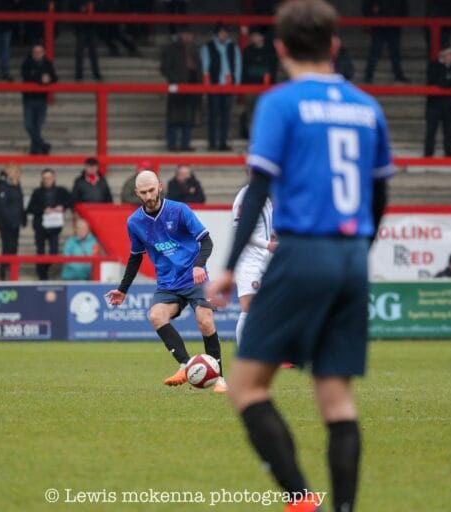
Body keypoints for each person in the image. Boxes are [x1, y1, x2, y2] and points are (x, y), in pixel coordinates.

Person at [206, 1, 393, 511]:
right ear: (334, 46)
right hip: (351, 256)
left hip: (302, 250)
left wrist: (228, 266)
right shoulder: (366, 106)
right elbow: (378, 199)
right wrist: (357, 252)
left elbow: (259, 192)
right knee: (337, 399)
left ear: (280, 47)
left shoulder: (280, 104)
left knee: (245, 387)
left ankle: (301, 498)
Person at [105, 170, 226, 392]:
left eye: (152, 190)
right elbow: (135, 257)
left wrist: (199, 265)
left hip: (193, 276)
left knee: (205, 320)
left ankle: (219, 377)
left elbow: (206, 241)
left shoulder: (179, 210)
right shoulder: (134, 222)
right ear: (136, 193)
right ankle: (186, 364)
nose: (149, 196)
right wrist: (123, 290)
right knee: (155, 315)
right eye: (143, 192)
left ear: (159, 186)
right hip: (168, 283)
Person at [231, 179, 274, 347]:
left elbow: (262, 227)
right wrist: (267, 244)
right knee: (248, 309)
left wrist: (271, 236)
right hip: (248, 261)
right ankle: (243, 354)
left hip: (264, 260)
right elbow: (239, 230)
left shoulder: (268, 197)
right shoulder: (246, 195)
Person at [160, 25, 202, 152]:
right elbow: (165, 68)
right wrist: (175, 79)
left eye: (190, 34)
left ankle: (185, 143)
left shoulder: (194, 50)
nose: (188, 37)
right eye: (185, 34)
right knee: (174, 117)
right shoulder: (171, 49)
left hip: (192, 84)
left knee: (188, 116)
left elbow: (199, 67)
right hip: (177, 85)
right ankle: (171, 143)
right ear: (180, 35)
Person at [201, 24, 242, 151]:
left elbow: (237, 65)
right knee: (213, 114)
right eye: (221, 33)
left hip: (228, 85)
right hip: (214, 85)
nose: (223, 35)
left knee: (226, 115)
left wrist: (236, 83)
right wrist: (206, 85)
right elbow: (205, 66)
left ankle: (223, 142)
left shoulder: (233, 47)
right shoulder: (208, 47)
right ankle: (212, 142)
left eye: (225, 33)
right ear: (216, 34)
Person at [26, 168, 72, 281]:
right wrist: (43, 210)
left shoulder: (61, 191)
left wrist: (62, 206)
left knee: (54, 251)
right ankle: (41, 274)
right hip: (40, 227)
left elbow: (71, 200)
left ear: (54, 178)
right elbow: (30, 208)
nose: (47, 180)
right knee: (40, 251)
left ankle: (45, 269)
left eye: (49, 178)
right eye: (45, 178)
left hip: (54, 227)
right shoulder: (37, 192)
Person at [424, 47, 451, 157]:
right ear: (443, 56)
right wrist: (449, 80)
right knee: (431, 130)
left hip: (449, 104)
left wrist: (449, 80)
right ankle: (428, 153)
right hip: (434, 104)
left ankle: (448, 153)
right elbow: (436, 82)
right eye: (450, 55)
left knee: (448, 130)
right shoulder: (433, 66)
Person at [0, 163, 26, 281]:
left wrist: (22, 218)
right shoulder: (3, 186)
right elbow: (1, 206)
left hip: (15, 222)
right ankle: (2, 272)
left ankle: (11, 269)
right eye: (17, 171)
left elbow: (19, 204)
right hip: (5, 223)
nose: (19, 174)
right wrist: (11, 218)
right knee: (6, 247)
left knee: (14, 247)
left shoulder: (17, 185)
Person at [21, 43, 57, 155]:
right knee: (29, 125)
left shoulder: (48, 64)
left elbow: (54, 78)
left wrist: (48, 79)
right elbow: (27, 77)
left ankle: (35, 149)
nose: (37, 54)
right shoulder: (26, 63)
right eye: (35, 52)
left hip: (41, 99)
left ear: (44, 53)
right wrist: (41, 79)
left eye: (40, 52)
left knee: (38, 125)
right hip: (29, 98)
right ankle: (42, 145)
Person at [242, 27, 278, 138]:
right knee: (251, 114)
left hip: (266, 88)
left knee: (266, 114)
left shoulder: (270, 52)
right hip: (250, 87)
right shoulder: (247, 51)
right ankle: (252, 138)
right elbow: (245, 69)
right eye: (252, 36)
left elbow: (272, 69)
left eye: (256, 35)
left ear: (262, 37)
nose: (254, 38)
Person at [362, 0, 410, 84]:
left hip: (394, 24)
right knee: (375, 51)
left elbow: (403, 6)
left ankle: (398, 75)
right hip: (378, 25)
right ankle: (368, 75)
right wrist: (372, 16)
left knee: (395, 51)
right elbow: (366, 7)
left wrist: (401, 18)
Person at [71, 0, 103, 81]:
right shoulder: (77, 2)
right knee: (79, 52)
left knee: (93, 52)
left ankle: (96, 73)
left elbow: (100, 9)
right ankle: (79, 74)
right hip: (80, 27)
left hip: (92, 28)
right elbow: (72, 8)